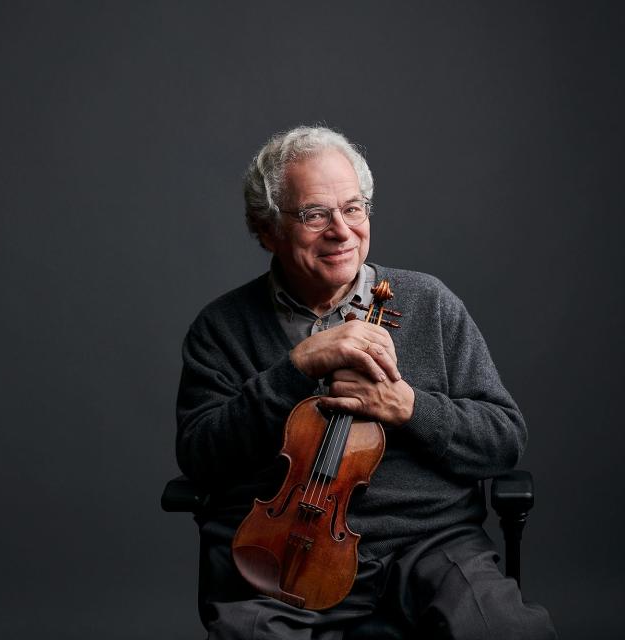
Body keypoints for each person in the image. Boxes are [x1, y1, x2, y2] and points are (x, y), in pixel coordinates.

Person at [175, 126, 557, 639]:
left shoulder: (428, 302)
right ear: (265, 229)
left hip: (431, 545)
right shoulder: (222, 328)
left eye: (353, 208)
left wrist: (410, 407)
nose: (341, 230)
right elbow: (201, 455)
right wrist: (295, 369)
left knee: (508, 633)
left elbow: (503, 438)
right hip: (285, 560)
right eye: (315, 214)